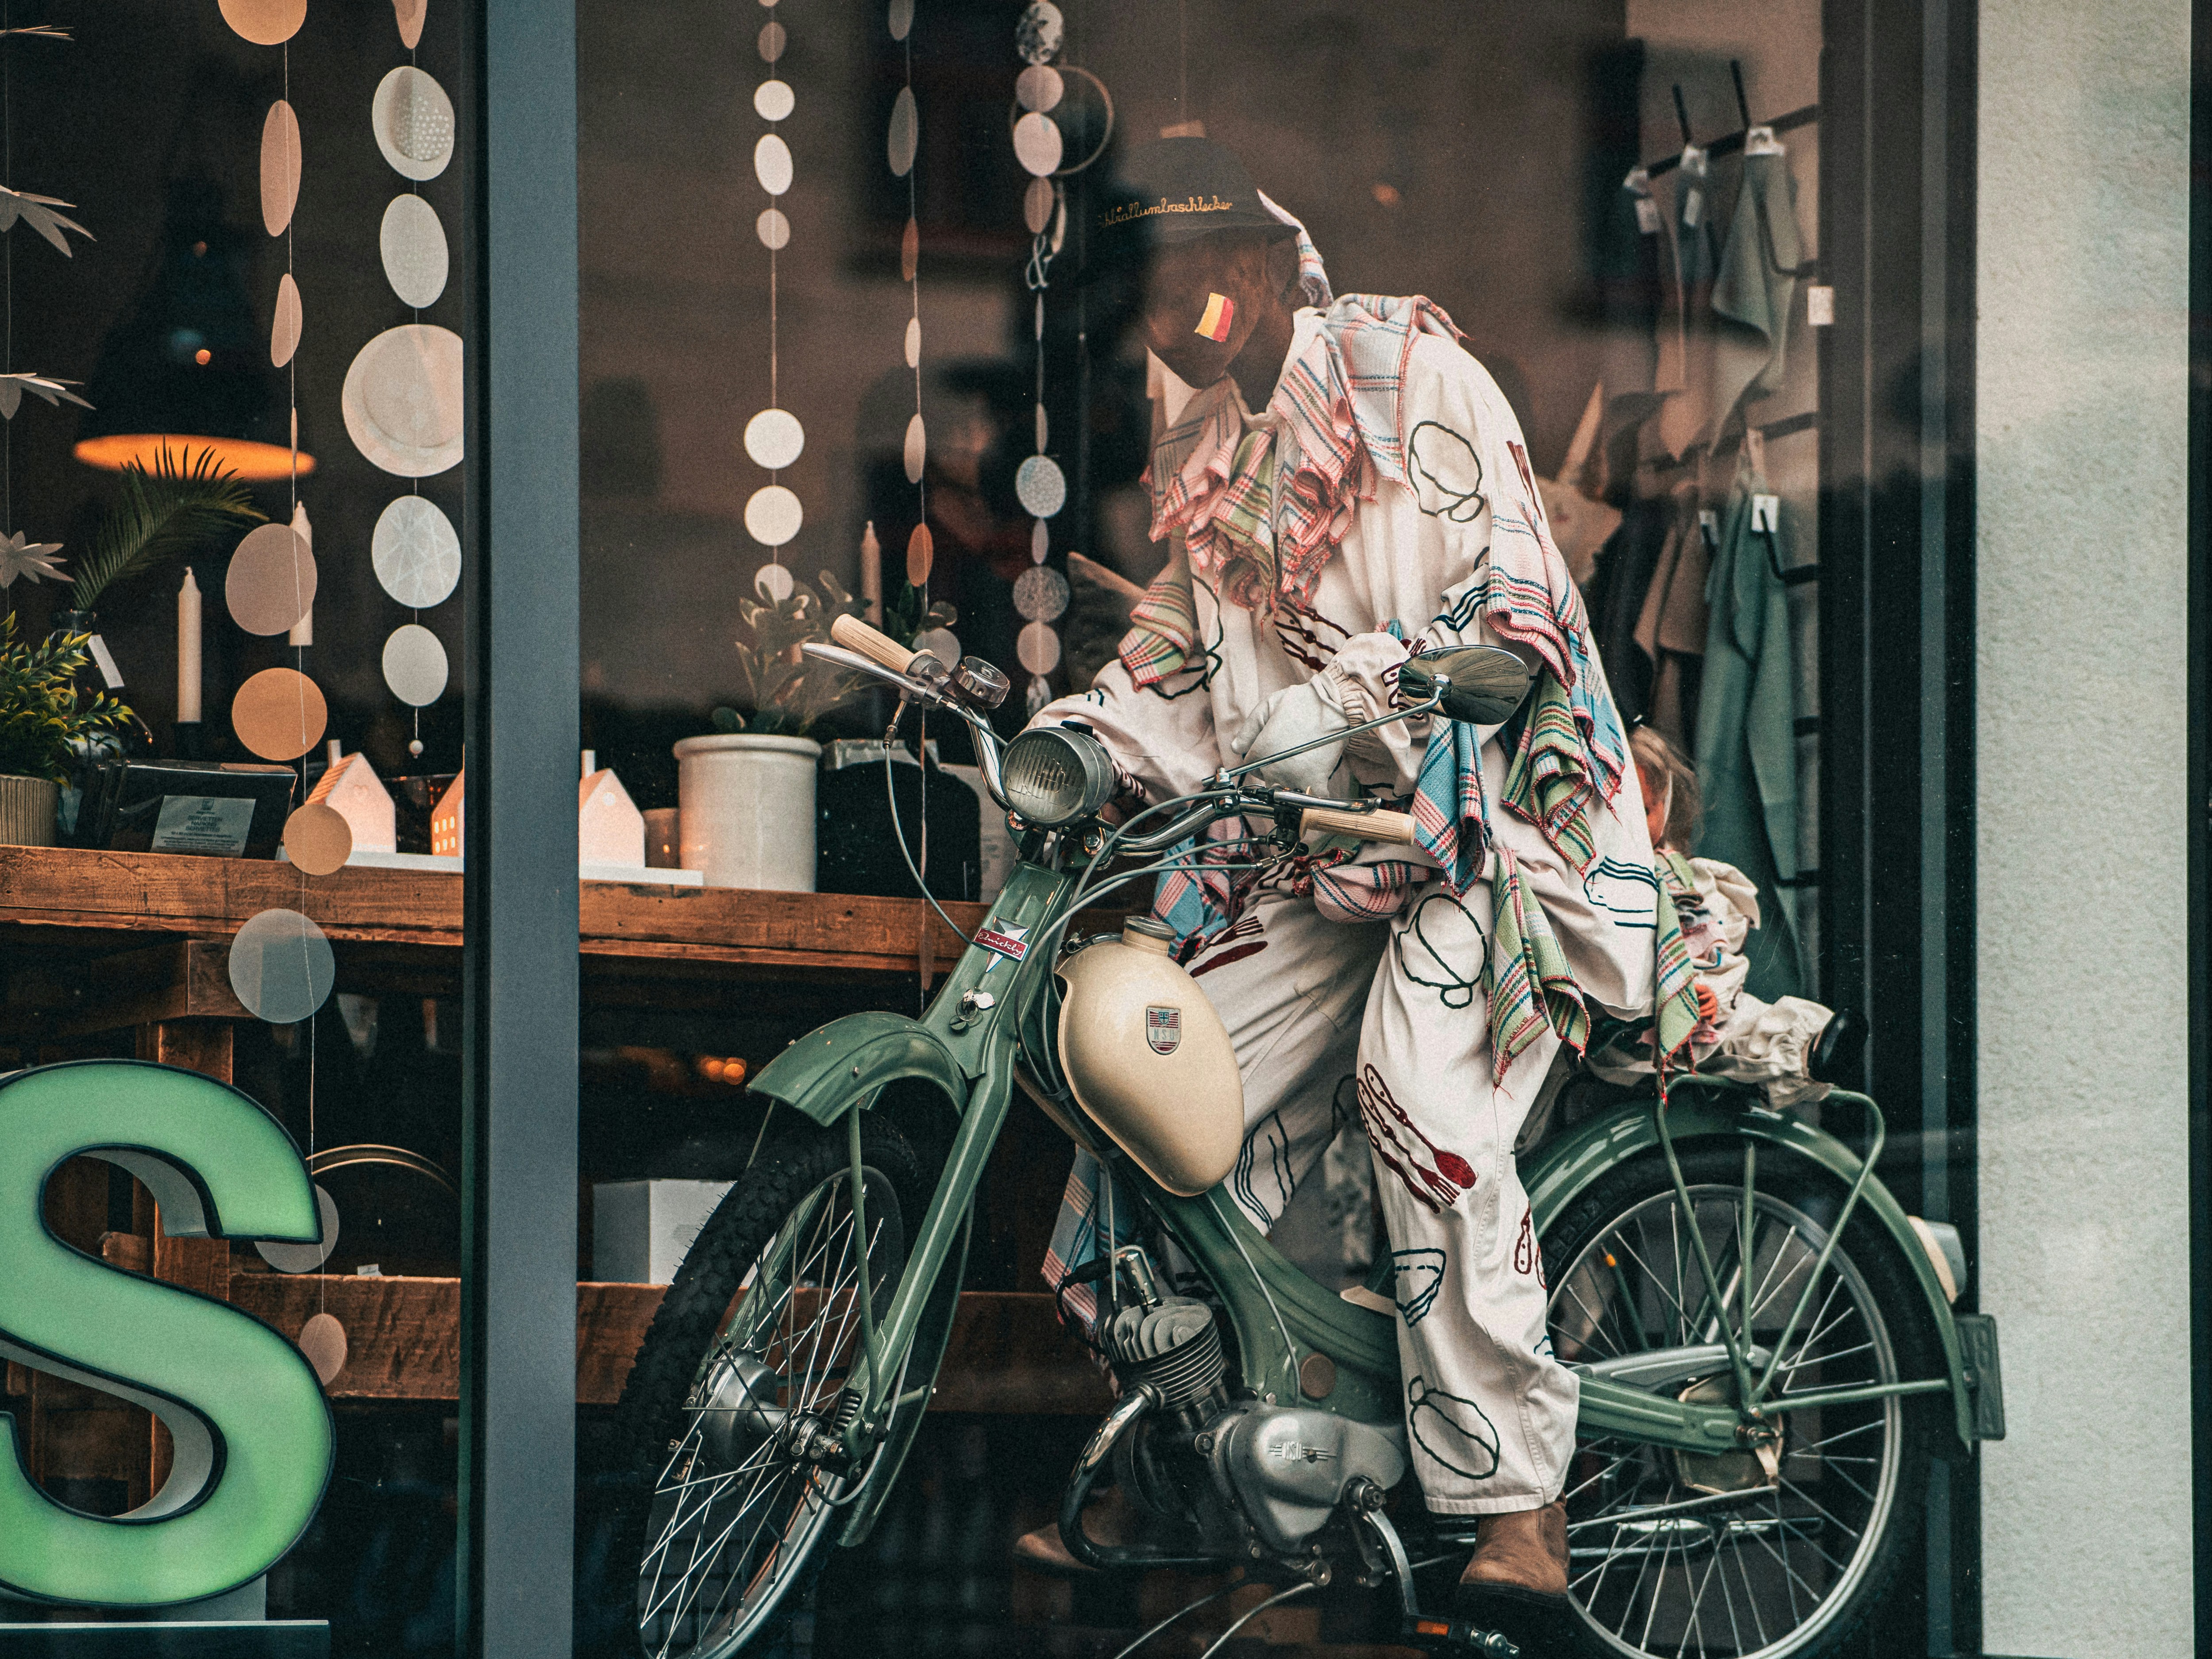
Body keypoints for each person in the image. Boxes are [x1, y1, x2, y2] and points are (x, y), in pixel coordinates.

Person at [1013, 138, 1685, 1627]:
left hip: (1492, 828)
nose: (1177, 313)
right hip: (1325, 855)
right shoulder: (1197, 442)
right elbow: (1181, 670)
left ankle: (1519, 1506)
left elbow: (1513, 606)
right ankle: (1201, 1456)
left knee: (1412, 1091)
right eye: (1150, 290)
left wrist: (1372, 690)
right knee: (1147, 1079)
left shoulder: (1403, 374)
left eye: (1198, 278)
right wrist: (1077, 738)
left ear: (1264, 267)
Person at [1583, 725, 1859, 1105]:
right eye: (1615, 812)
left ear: (1666, 803)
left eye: (1644, 810)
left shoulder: (1686, 879)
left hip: (1708, 1013)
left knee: (1750, 1022)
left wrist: (1715, 993)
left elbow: (1718, 954)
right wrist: (1667, 996)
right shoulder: (1595, 889)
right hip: (1637, 1029)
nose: (1630, 826)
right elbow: (1601, 968)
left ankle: (1811, 1053)